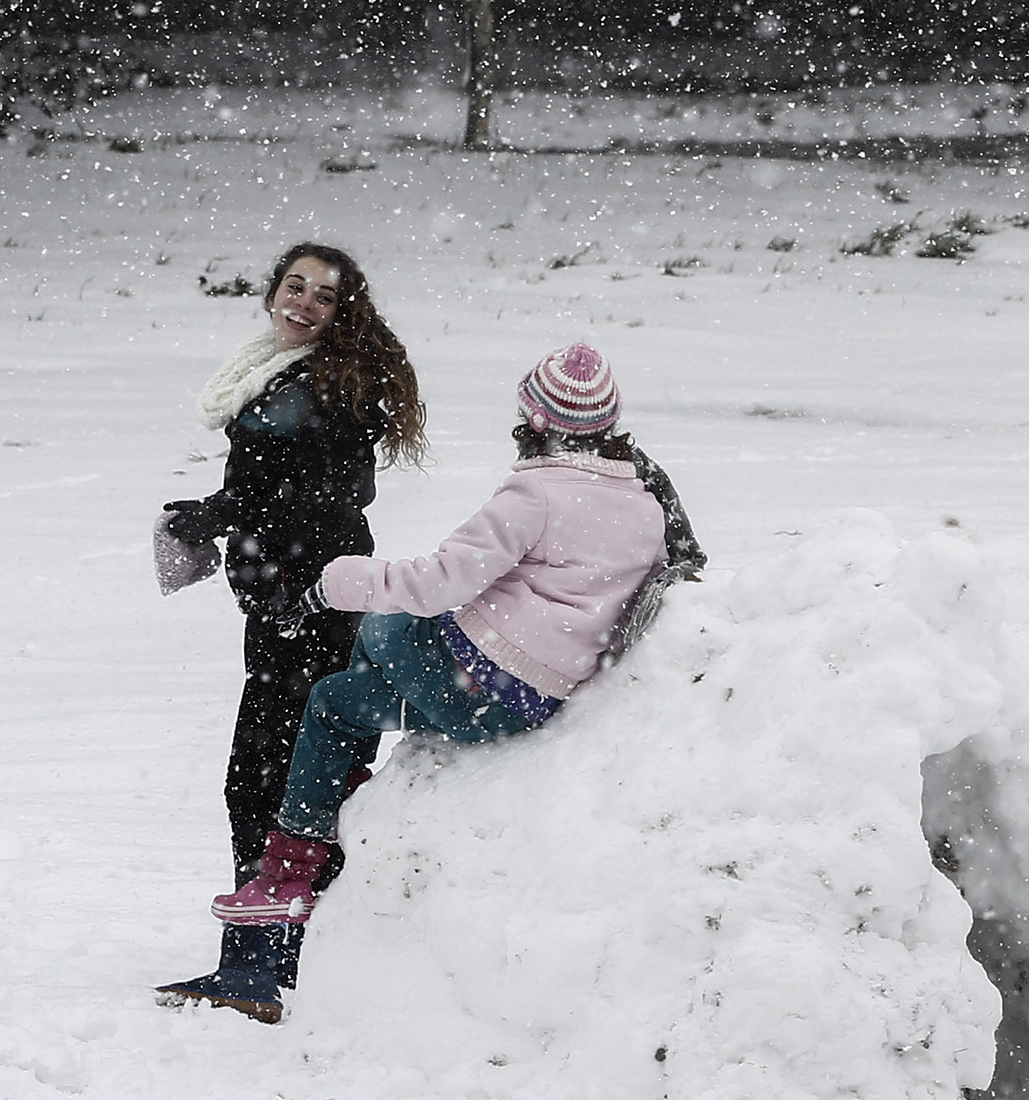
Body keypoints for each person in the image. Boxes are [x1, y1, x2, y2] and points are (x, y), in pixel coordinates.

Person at [208, 342, 690, 951]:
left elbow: (436, 585)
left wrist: (337, 579)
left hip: (472, 683)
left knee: (375, 633)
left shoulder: (534, 495)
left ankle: (289, 867)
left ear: (534, 419)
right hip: (525, 703)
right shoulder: (642, 505)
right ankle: (333, 802)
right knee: (338, 695)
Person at [155, 243, 423, 1022]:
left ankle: (264, 966)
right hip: (285, 601)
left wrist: (226, 517)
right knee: (298, 777)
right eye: (294, 286)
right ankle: (296, 954)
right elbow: (276, 482)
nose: (302, 302)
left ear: (347, 311)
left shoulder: (327, 385)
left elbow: (319, 495)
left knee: (271, 779)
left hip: (306, 605)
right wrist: (220, 512)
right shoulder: (285, 369)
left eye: (323, 296)